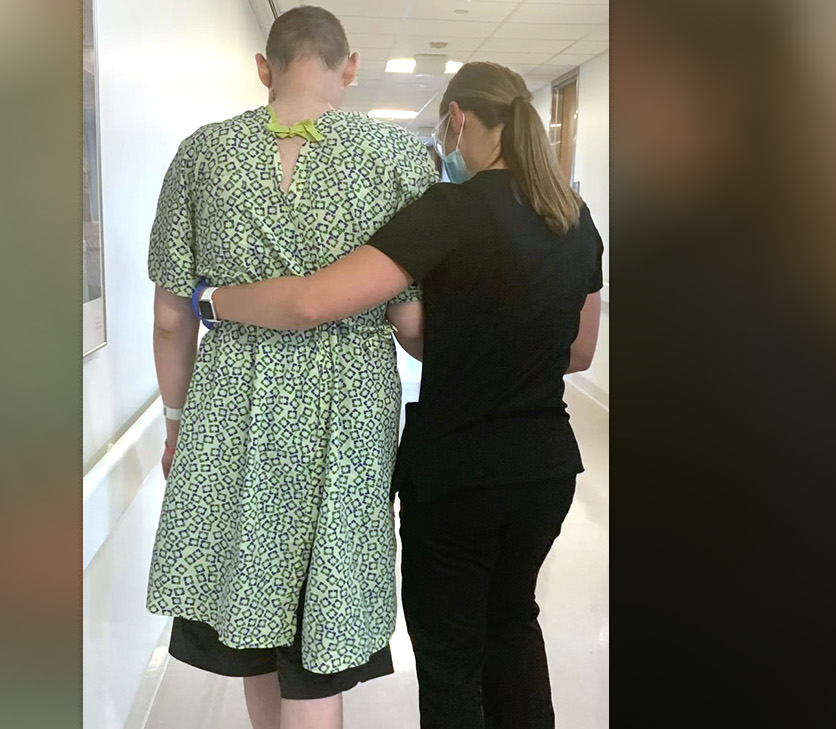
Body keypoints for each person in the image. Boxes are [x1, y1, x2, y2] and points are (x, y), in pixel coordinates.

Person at [201, 62, 604, 729]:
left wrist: (212, 300)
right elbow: (581, 350)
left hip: (457, 476)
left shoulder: (448, 212)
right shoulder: (574, 216)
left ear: (458, 120)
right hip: (545, 469)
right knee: (513, 623)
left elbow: (311, 301)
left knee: (448, 655)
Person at [143, 7, 436, 729]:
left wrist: (178, 423)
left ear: (265, 68)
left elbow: (170, 316)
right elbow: (412, 326)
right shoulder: (397, 162)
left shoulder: (202, 154)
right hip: (349, 412)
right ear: (351, 66)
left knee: (251, 614)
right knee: (320, 628)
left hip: (231, 408)